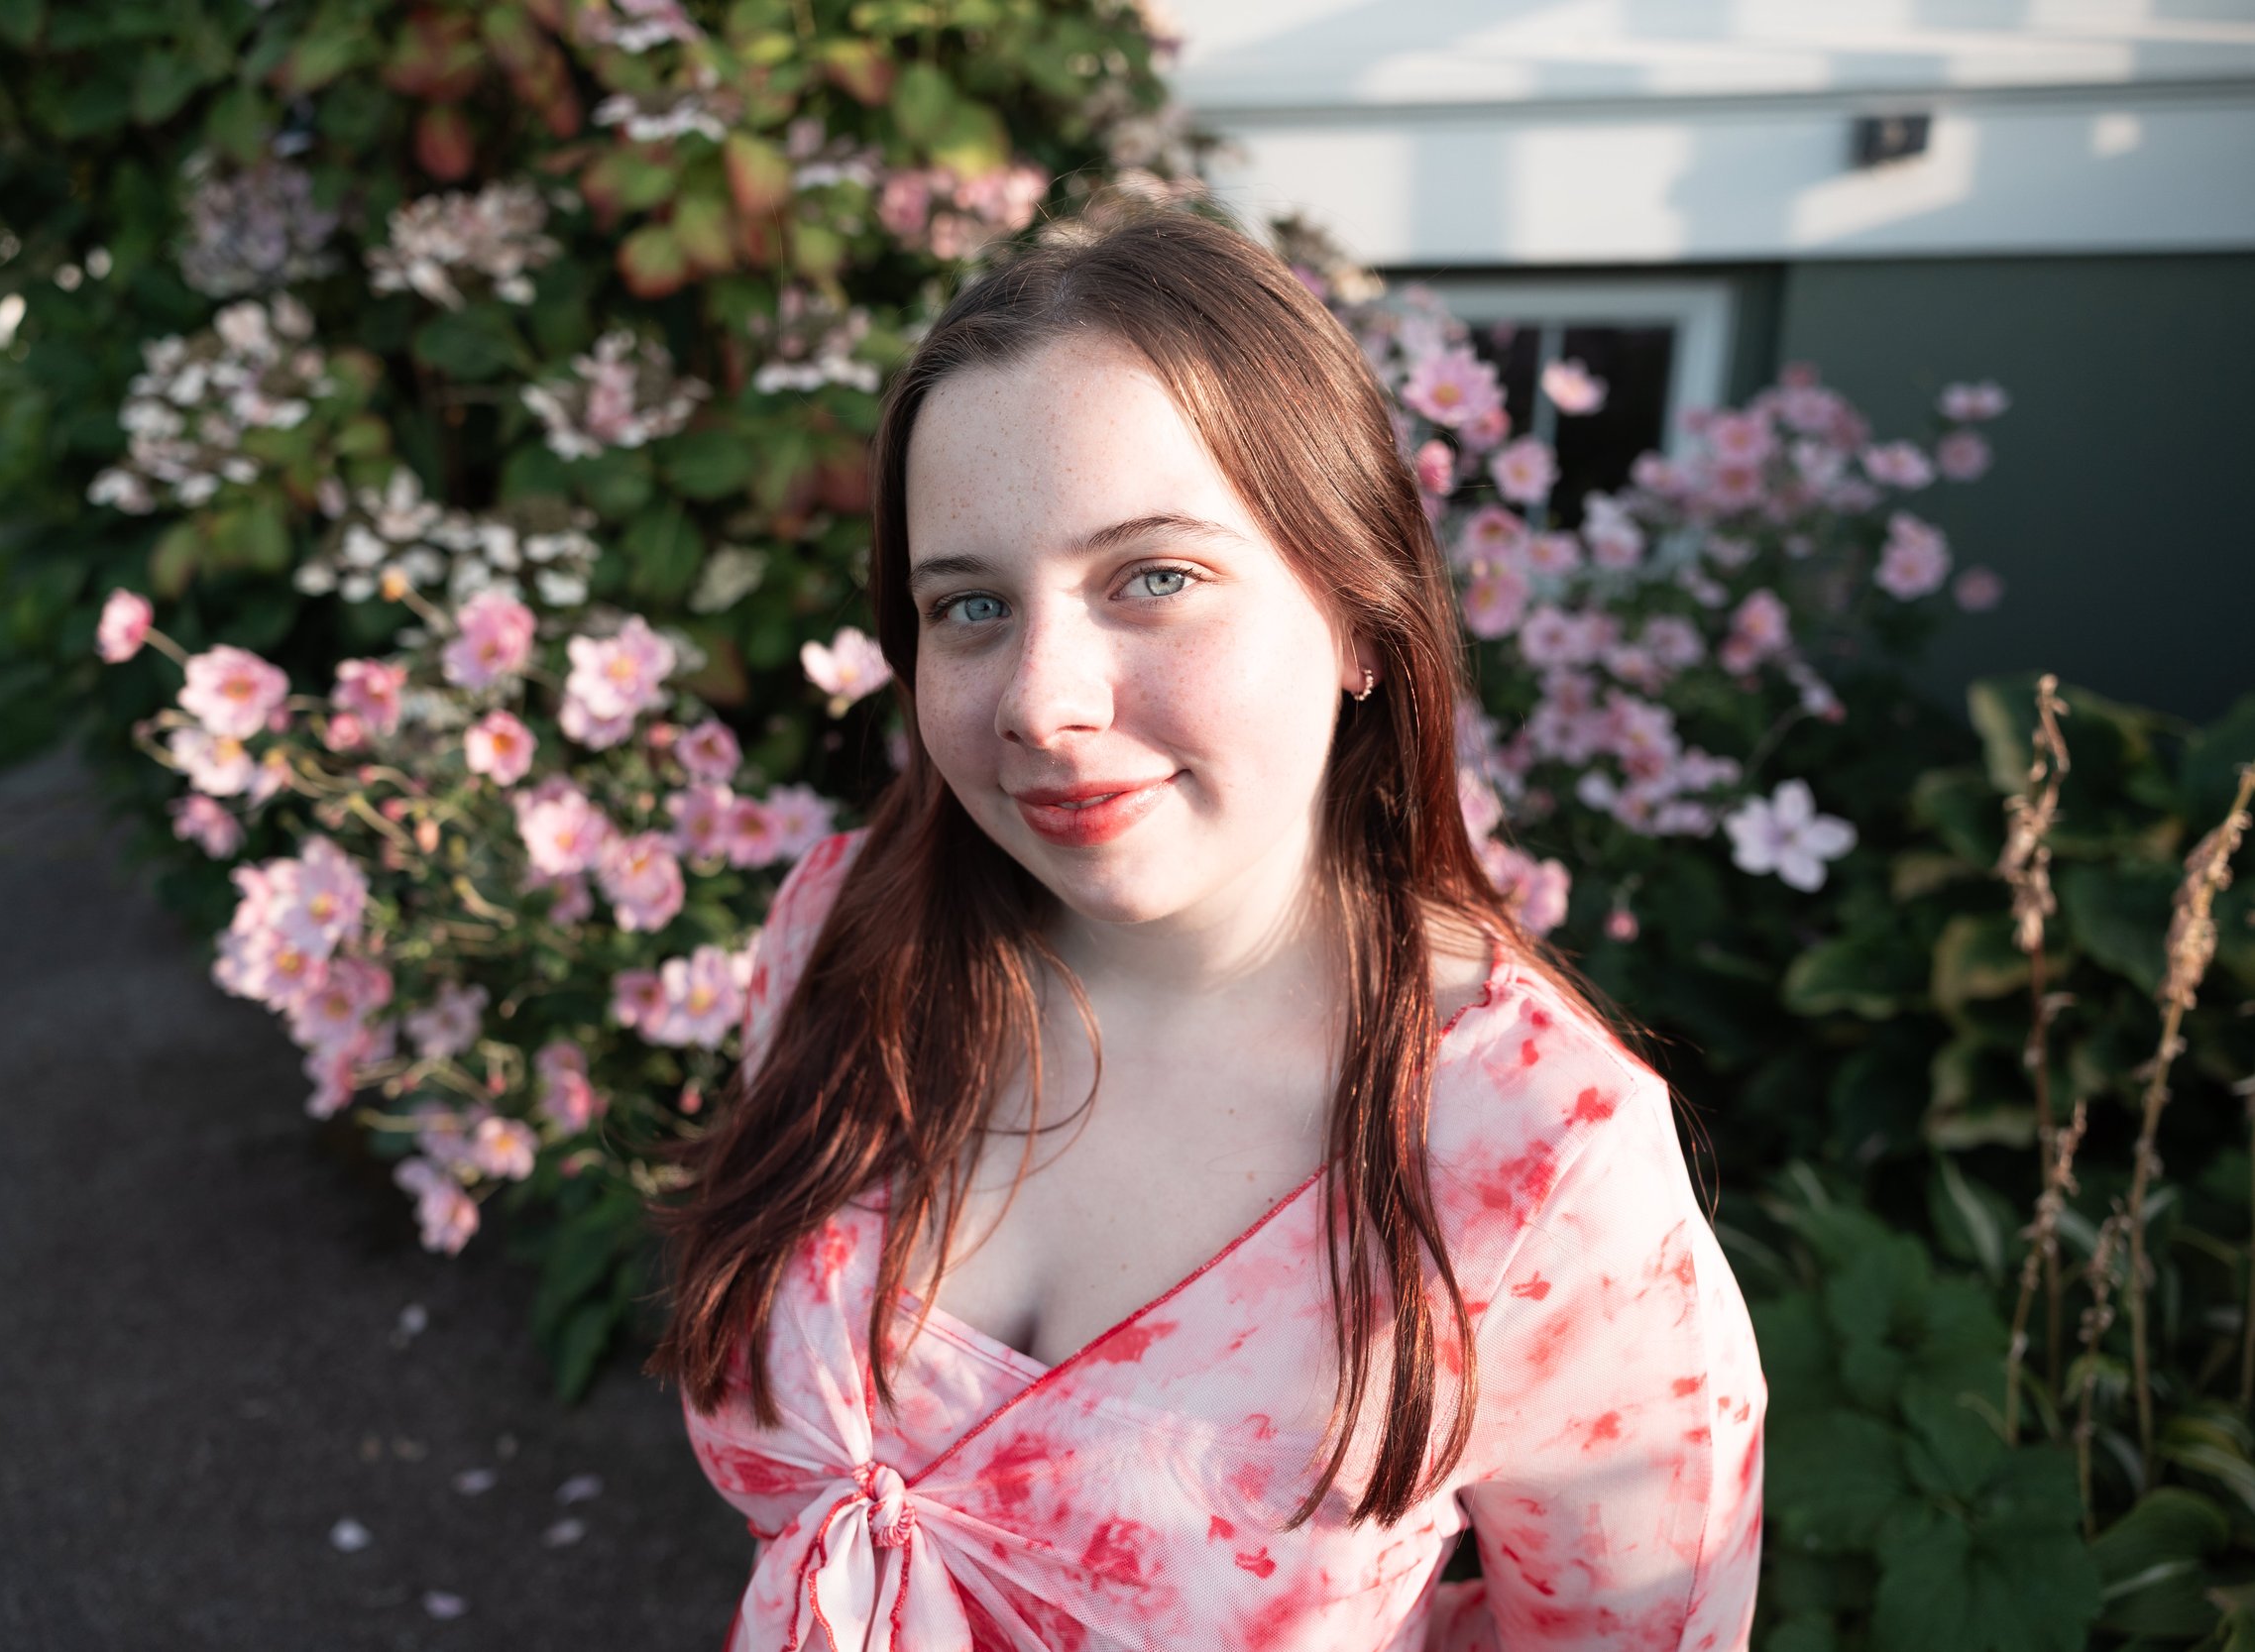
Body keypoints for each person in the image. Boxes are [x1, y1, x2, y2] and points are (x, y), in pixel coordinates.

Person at [646, 197, 1766, 1651]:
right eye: (971, 606)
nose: (1043, 702)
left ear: (1363, 616)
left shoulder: (1538, 1163)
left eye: (1155, 579)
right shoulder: (838, 942)